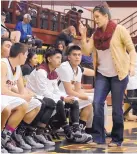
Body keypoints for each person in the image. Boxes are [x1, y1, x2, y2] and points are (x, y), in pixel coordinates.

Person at [79, 5, 137, 146]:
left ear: (106, 16)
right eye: (94, 17)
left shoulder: (120, 30)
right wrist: (83, 36)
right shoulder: (95, 34)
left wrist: (132, 66)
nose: (95, 20)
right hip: (102, 74)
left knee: (117, 109)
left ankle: (117, 139)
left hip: (118, 74)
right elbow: (86, 51)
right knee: (97, 103)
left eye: (97, 16)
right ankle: (99, 136)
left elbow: (131, 50)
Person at [26, 47, 92, 143]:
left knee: (74, 101)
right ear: (49, 59)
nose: (59, 60)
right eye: (57, 57)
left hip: (48, 97)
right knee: (59, 102)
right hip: (36, 97)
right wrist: (62, 98)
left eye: (60, 58)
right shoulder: (41, 71)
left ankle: (76, 130)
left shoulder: (54, 72)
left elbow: (55, 91)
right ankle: (68, 132)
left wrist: (65, 97)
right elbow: (43, 92)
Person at [1, 43, 43, 151]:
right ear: (20, 54)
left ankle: (11, 135)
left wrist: (28, 95)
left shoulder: (18, 68)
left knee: (36, 103)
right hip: (2, 96)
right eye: (26, 55)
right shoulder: (3, 64)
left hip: (8, 98)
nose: (26, 57)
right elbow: (2, 90)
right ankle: (3, 138)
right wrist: (22, 97)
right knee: (22, 103)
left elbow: (21, 90)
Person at [56, 45, 94, 136]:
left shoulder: (78, 69)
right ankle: (76, 128)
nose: (77, 57)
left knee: (89, 104)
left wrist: (89, 96)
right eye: (74, 55)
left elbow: (78, 90)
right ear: (69, 57)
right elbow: (69, 91)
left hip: (69, 96)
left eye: (79, 55)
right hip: (59, 96)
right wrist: (88, 97)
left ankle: (80, 128)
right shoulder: (65, 67)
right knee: (88, 100)